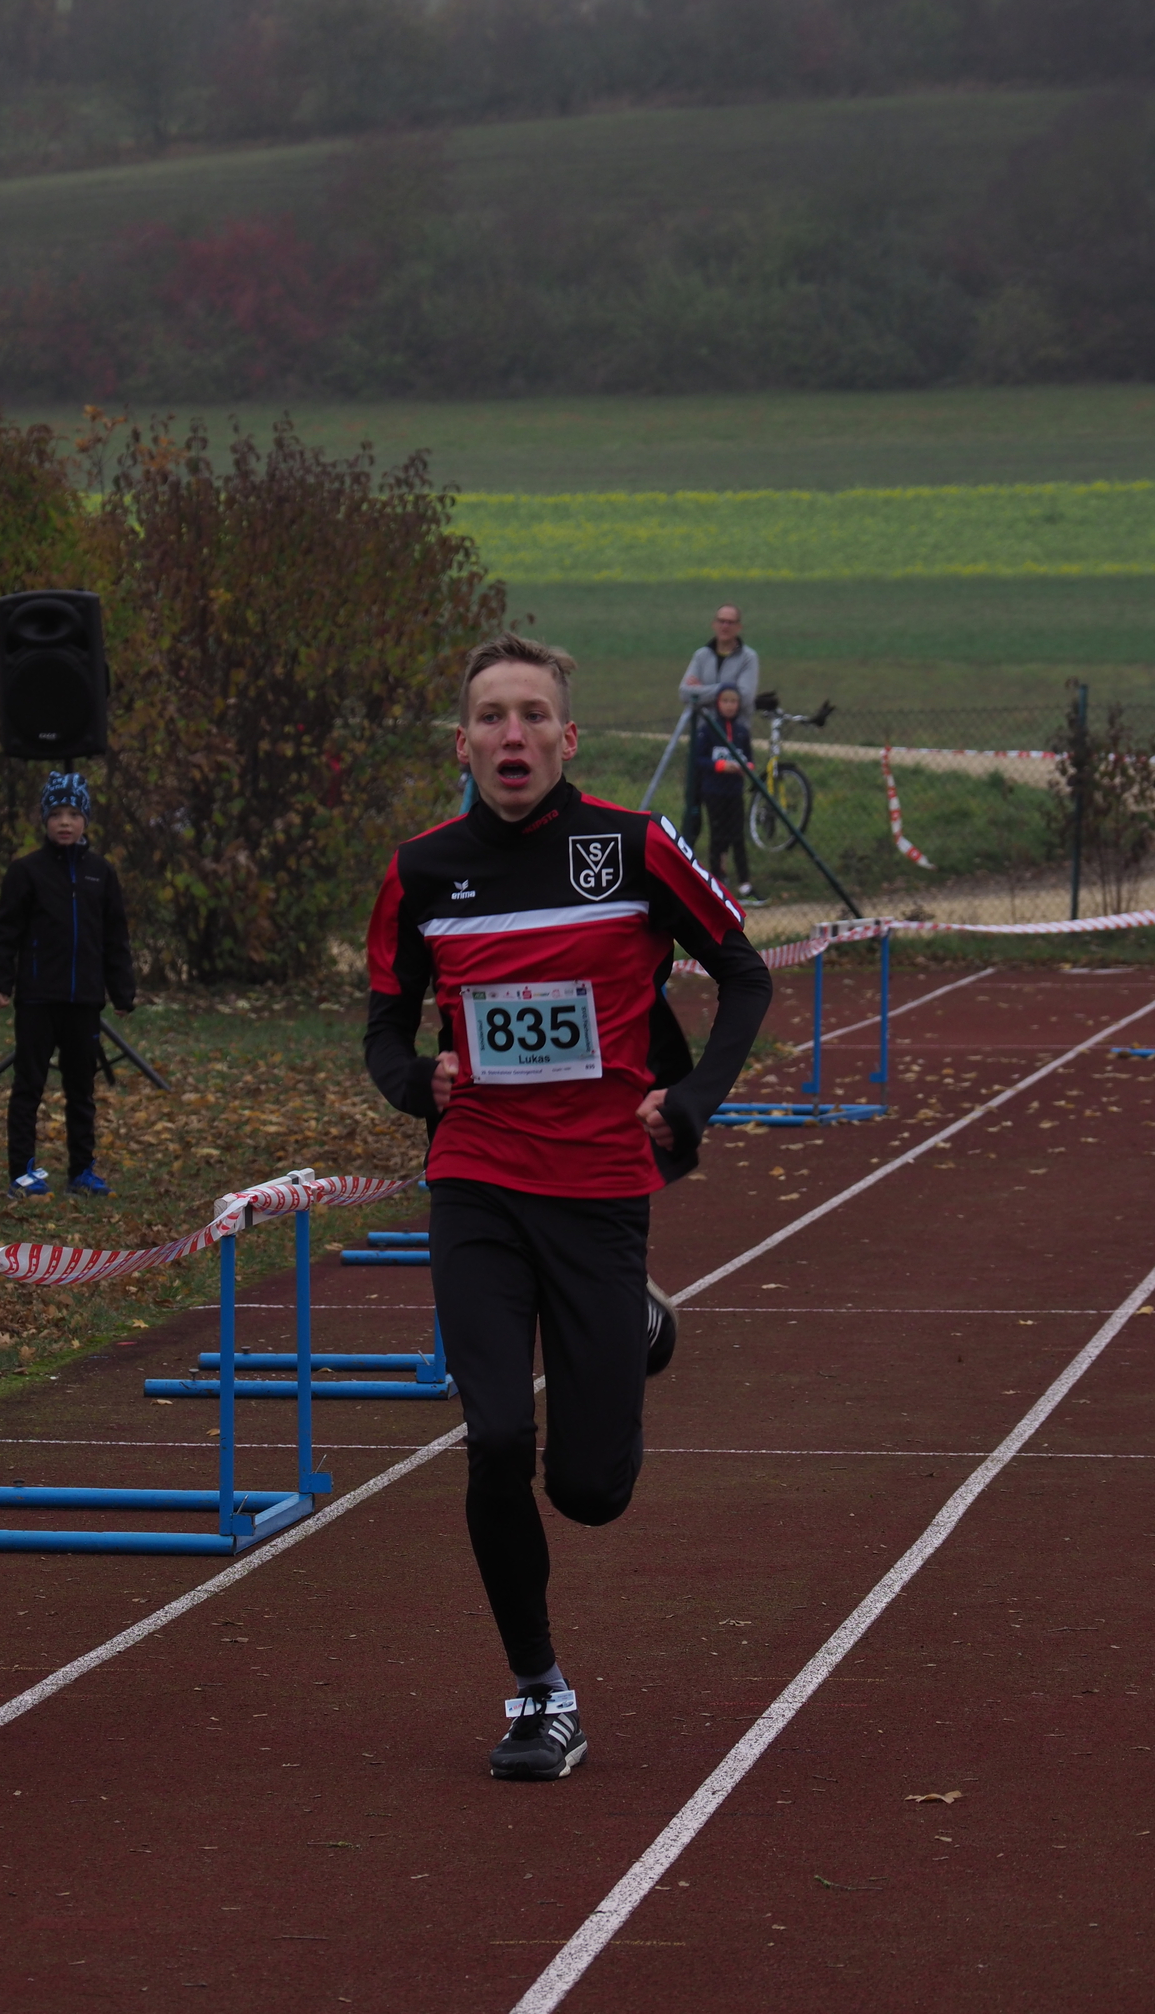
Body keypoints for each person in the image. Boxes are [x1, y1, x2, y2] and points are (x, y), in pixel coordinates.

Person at [364, 631, 772, 1781]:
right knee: (495, 1437)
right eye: (492, 716)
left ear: (567, 738)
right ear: (462, 744)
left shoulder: (633, 847)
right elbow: (385, 1032)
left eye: (532, 714)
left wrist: (689, 1102)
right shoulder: (422, 870)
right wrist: (419, 1082)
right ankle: (539, 1690)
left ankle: (632, 1323)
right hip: (477, 1182)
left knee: (589, 1491)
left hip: (597, 1190)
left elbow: (745, 975)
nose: (513, 733)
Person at [0, 770, 136, 1200]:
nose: (65, 822)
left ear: (85, 819)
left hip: (83, 999)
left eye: (73, 814)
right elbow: (6, 932)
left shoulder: (100, 874)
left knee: (81, 1089)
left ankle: (82, 1170)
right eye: (56, 814)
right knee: (29, 1085)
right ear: (44, 820)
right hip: (37, 998)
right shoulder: (26, 872)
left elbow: (114, 936)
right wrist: (0, 980)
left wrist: (121, 989)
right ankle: (22, 1171)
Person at [679, 603, 759, 845]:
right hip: (703, 736)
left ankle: (723, 857)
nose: (725, 626)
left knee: (726, 809)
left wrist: (703, 690)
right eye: (721, 621)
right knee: (693, 801)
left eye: (730, 622)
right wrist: (725, 691)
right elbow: (684, 692)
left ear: (738, 627)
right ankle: (686, 850)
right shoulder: (701, 655)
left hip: (732, 740)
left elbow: (745, 697)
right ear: (714, 624)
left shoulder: (748, 658)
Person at [699, 684, 763, 905]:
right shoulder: (708, 729)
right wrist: (719, 766)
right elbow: (699, 759)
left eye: (733, 701)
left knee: (738, 837)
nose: (729, 706)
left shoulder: (741, 731)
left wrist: (746, 768)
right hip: (714, 791)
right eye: (725, 701)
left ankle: (745, 884)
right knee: (718, 836)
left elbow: (750, 759)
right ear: (718, 704)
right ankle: (717, 882)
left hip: (734, 792)